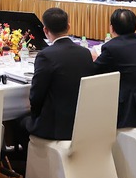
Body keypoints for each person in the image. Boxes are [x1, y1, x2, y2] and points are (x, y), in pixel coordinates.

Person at [18, 8, 94, 145]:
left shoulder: (46, 55)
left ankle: (26, 157)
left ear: (45, 30)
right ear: (68, 26)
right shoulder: (85, 52)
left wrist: (35, 116)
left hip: (56, 127)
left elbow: (36, 95)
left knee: (19, 121)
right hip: (82, 122)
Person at [93, 9, 136, 128]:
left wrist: (94, 57)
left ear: (112, 28)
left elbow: (93, 72)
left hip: (132, 113)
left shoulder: (112, 47)